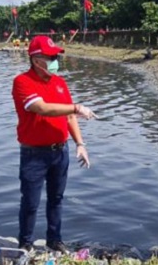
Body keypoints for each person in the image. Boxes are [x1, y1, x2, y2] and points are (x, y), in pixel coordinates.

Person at [11, 35, 96, 251]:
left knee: (56, 198)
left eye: (56, 55)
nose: (55, 60)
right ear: (36, 59)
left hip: (60, 151)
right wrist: (76, 107)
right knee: (30, 202)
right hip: (34, 154)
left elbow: (68, 118)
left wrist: (80, 144)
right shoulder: (22, 82)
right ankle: (26, 243)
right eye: (51, 56)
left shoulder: (59, 82)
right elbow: (42, 108)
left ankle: (55, 240)